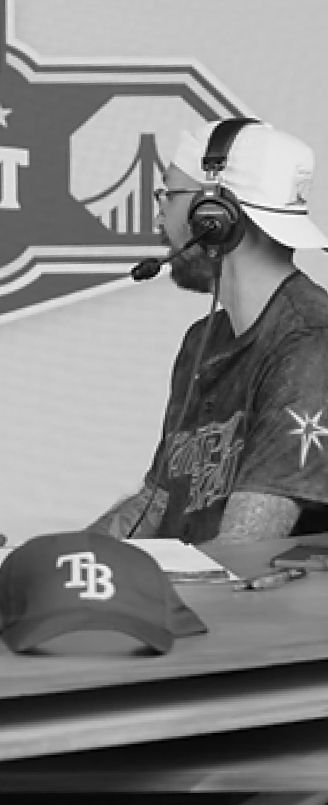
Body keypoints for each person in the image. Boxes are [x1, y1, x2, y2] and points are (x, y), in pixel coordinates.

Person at [89, 119, 328, 547]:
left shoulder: (311, 343)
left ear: (215, 216)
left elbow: (243, 549)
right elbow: (158, 501)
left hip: (254, 592)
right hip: (203, 587)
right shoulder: (201, 342)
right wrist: (57, 562)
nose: (159, 214)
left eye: (168, 194)